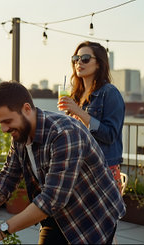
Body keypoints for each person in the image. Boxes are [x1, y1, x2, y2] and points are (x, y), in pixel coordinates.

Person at [0, 82, 126, 244]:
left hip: (91, 217)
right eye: (0, 123)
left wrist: (4, 229)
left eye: (8, 121)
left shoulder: (65, 133)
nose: (4, 129)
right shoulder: (20, 134)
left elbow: (52, 198)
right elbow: (8, 177)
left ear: (26, 109)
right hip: (55, 216)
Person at [58, 41, 125, 193]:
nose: (79, 62)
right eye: (76, 58)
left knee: (102, 217)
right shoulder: (76, 95)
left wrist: (78, 112)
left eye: (85, 58)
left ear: (99, 64)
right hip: (78, 168)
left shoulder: (109, 93)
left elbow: (109, 135)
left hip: (102, 170)